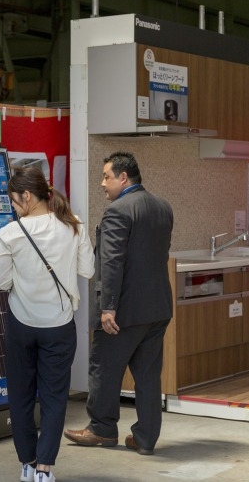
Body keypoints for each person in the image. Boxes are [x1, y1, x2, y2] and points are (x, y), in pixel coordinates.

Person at [64, 151, 173, 456]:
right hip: (157, 308)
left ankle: (101, 429)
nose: (102, 183)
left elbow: (111, 262)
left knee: (104, 368)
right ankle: (146, 438)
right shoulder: (162, 207)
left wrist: (107, 307)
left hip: (123, 311)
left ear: (123, 177)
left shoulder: (118, 211)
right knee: (149, 376)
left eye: (106, 176)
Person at [0, 167, 94, 482]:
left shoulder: (9, 233)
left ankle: (27, 463)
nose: (13, 207)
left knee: (21, 397)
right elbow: (88, 271)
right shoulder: (73, 226)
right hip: (60, 325)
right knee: (53, 397)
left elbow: (1, 282)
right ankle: (45, 469)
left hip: (21, 323)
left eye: (14, 200)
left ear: (26, 195)